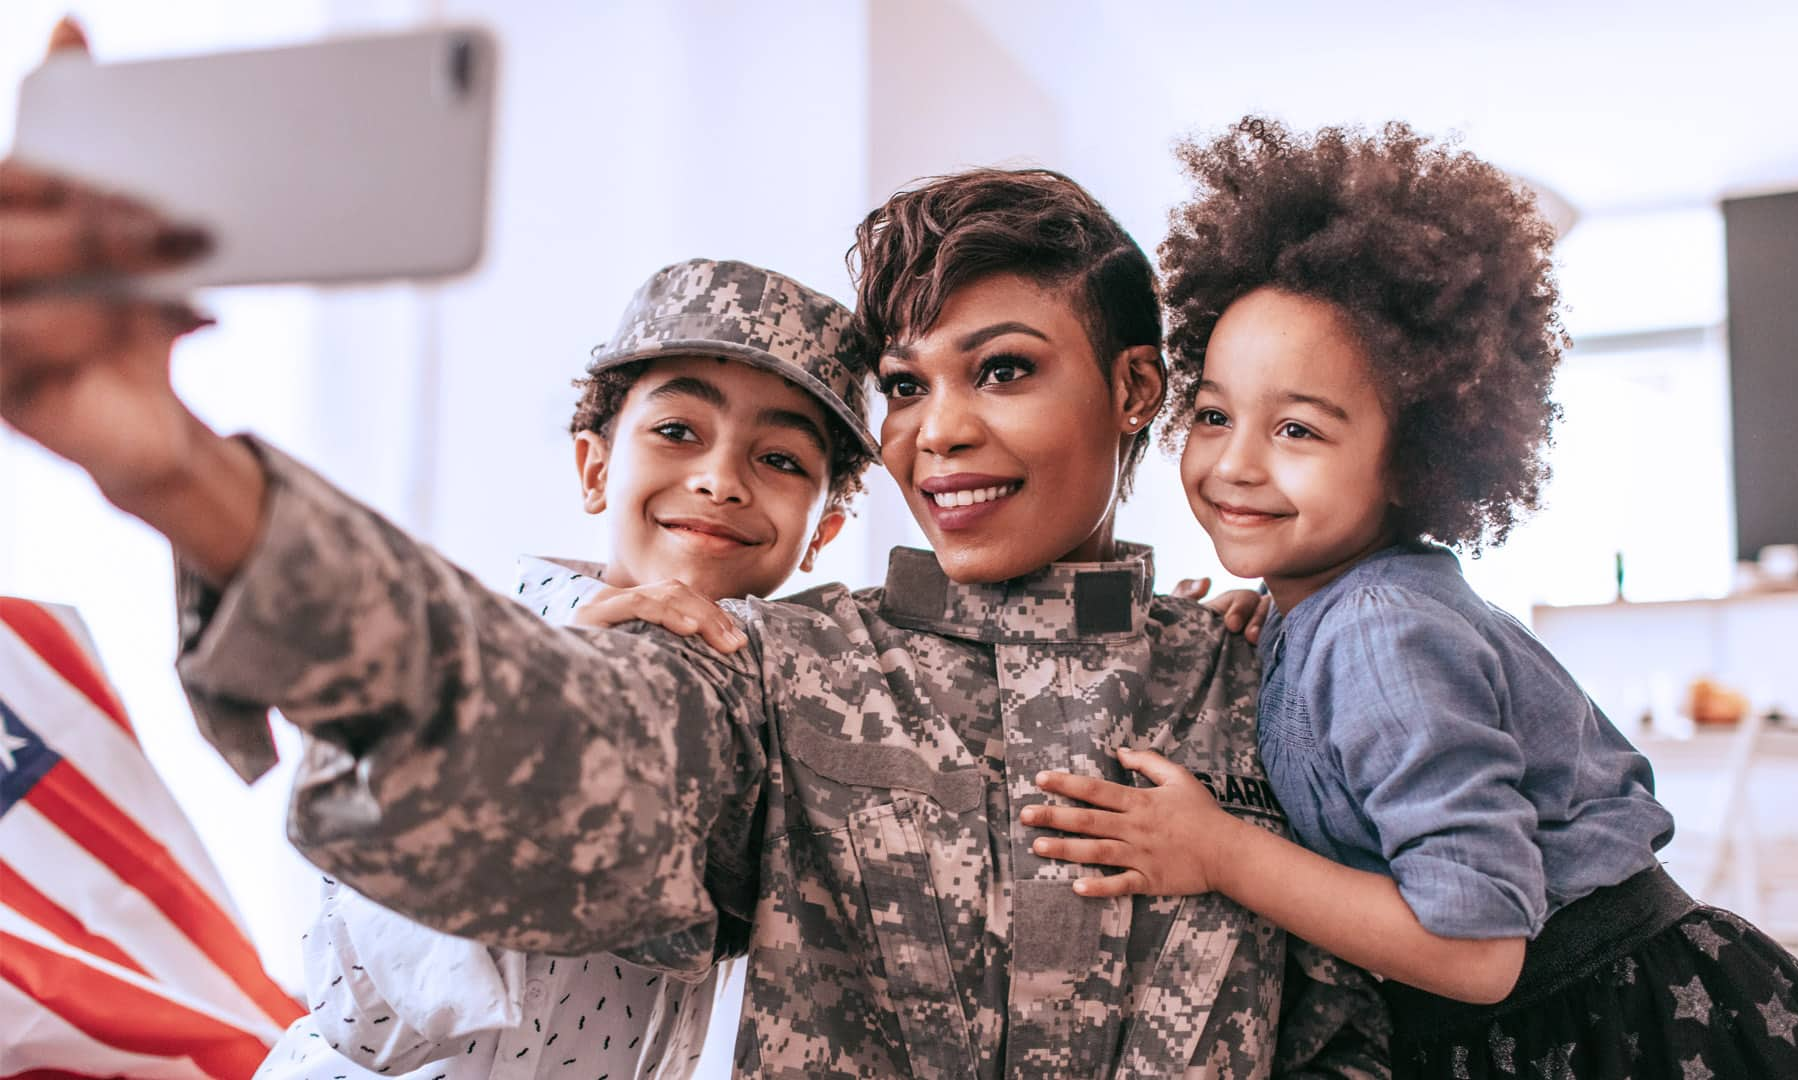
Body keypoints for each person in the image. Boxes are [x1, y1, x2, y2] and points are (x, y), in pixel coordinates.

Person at [0, 145, 1387, 1074]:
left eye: (1006, 369)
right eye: (904, 388)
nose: (941, 436)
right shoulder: (779, 669)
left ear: (1137, 391)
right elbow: (562, 757)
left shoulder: (1274, 670)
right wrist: (186, 478)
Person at [1023, 117, 1798, 1079]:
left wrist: (1215, 850)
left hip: (1614, 1033)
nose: (1235, 462)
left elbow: (1476, 952)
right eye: (1217, 414)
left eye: (1299, 430)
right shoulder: (1333, 614)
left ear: (1414, 458)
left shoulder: (1379, 632)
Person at [255, 257, 871, 1080]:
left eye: (782, 460)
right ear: (594, 469)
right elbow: (378, 1002)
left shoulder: (780, 710)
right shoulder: (467, 658)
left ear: (821, 532)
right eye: (678, 431)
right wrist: (546, 705)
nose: (720, 480)